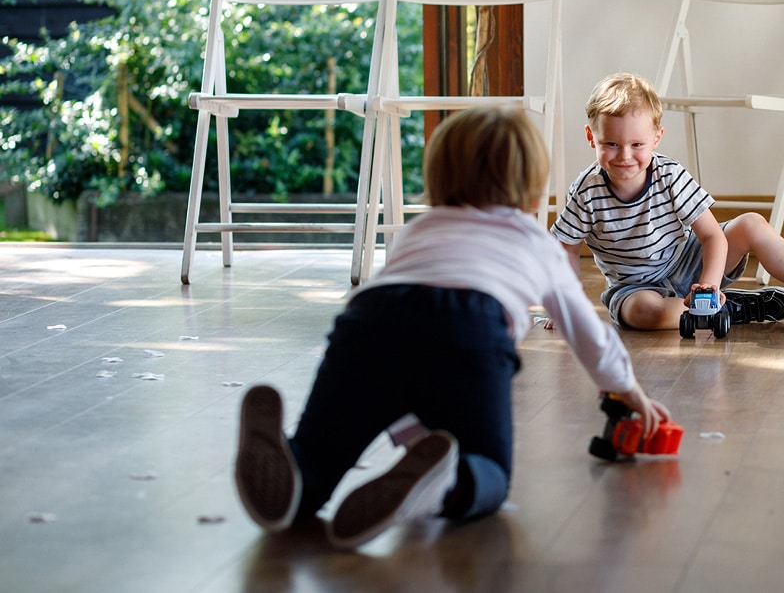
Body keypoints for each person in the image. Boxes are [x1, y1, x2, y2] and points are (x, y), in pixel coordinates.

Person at [234, 106, 671, 550]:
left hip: (368, 323)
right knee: (489, 473)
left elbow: (404, 369)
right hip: (469, 328)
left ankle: (298, 477)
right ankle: (445, 485)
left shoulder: (419, 229)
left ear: (439, 177)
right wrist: (625, 386)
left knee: (321, 454)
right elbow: (584, 328)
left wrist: (412, 437)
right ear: (532, 188)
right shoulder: (533, 238)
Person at [551, 72, 784, 332]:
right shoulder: (586, 192)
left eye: (637, 144)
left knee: (751, 223)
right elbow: (566, 246)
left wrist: (708, 282)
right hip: (635, 287)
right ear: (591, 137)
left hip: (689, 262)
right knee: (644, 315)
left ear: (656, 138)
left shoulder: (669, 174)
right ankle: (729, 308)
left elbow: (711, 235)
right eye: (611, 143)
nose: (624, 156)